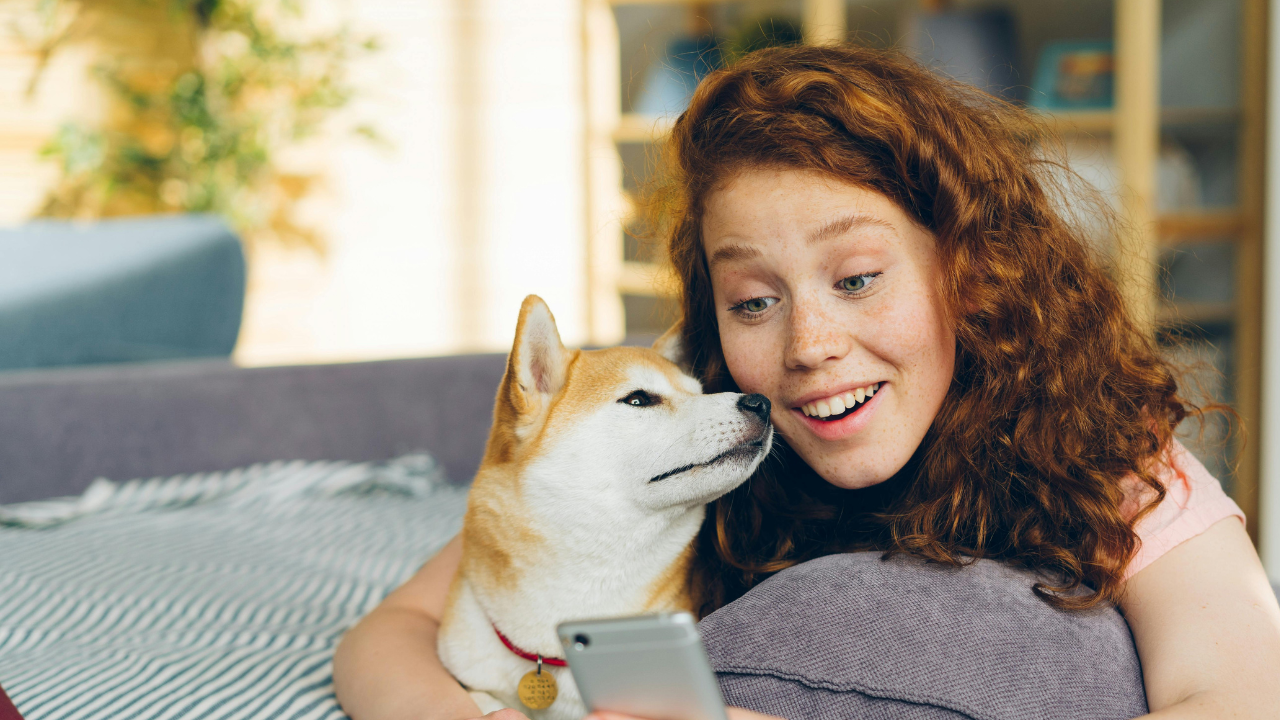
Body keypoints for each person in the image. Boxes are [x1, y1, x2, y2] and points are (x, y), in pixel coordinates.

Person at [332, 45, 1280, 720]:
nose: (807, 344)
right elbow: (396, 628)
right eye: (753, 301)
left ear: (972, 270)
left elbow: (1238, 696)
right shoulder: (709, 421)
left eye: (857, 279)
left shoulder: (1112, 465)